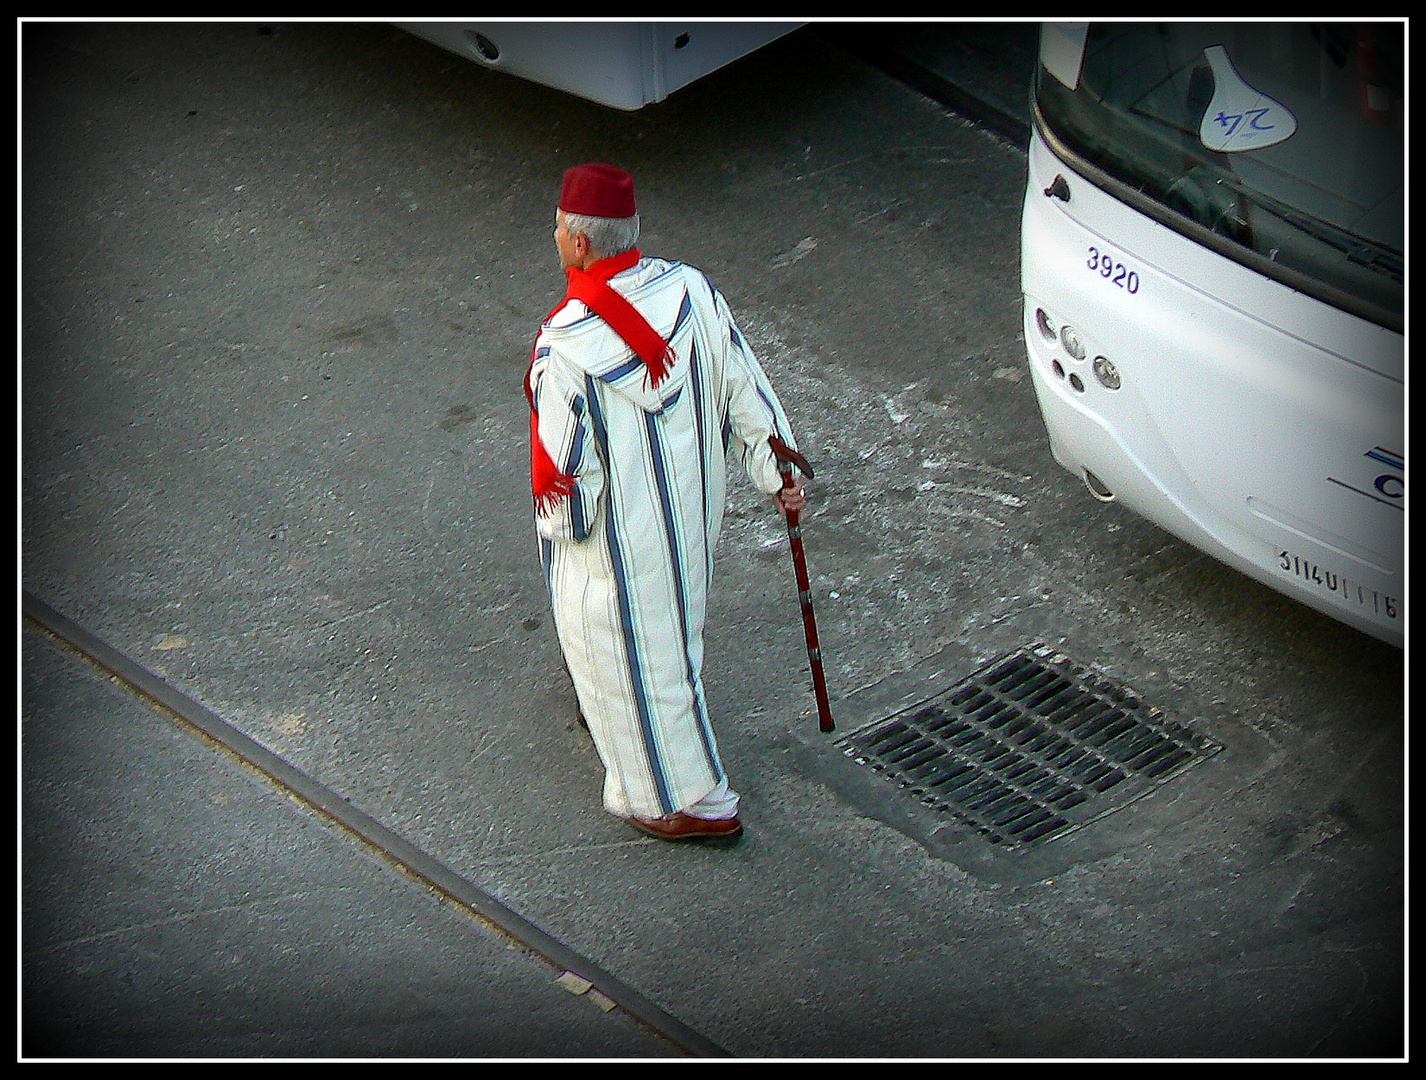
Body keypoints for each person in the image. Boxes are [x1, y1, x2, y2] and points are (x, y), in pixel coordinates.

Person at [525, 162, 806, 843]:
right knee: (672, 643)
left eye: (561, 227)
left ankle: (686, 800)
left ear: (581, 244)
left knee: (622, 653)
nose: (556, 234)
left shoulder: (566, 351)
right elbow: (745, 386)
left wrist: (565, 531)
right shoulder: (693, 294)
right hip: (689, 522)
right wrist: (779, 472)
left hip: (616, 546)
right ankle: (648, 752)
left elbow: (567, 482)